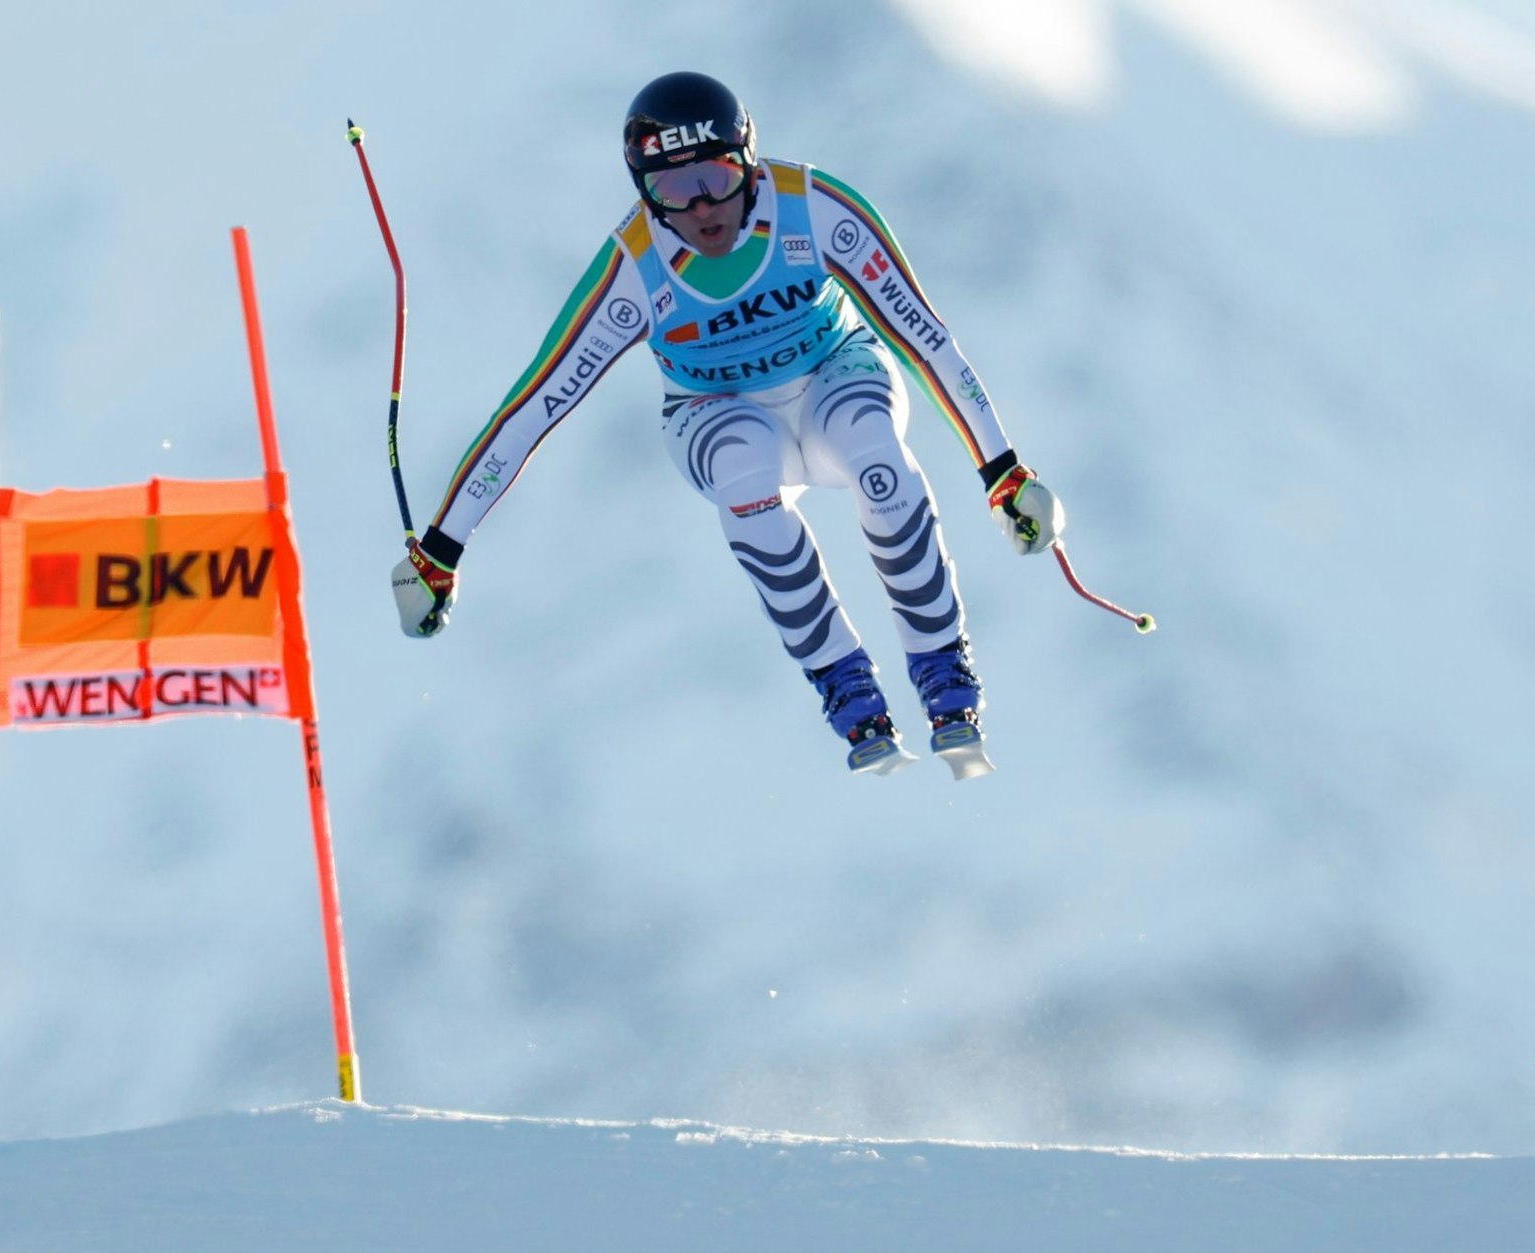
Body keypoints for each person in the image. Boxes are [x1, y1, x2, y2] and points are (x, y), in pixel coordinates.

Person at [392, 71, 1062, 779]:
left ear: (748, 161)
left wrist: (1004, 472)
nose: (703, 208)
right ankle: (848, 689)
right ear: (643, 190)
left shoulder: (813, 207)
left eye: (715, 177)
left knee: (874, 452)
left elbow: (923, 336)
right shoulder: (635, 267)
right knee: (744, 474)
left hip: (835, 371)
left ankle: (945, 679)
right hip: (717, 411)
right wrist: (439, 552)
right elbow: (533, 407)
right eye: (673, 191)